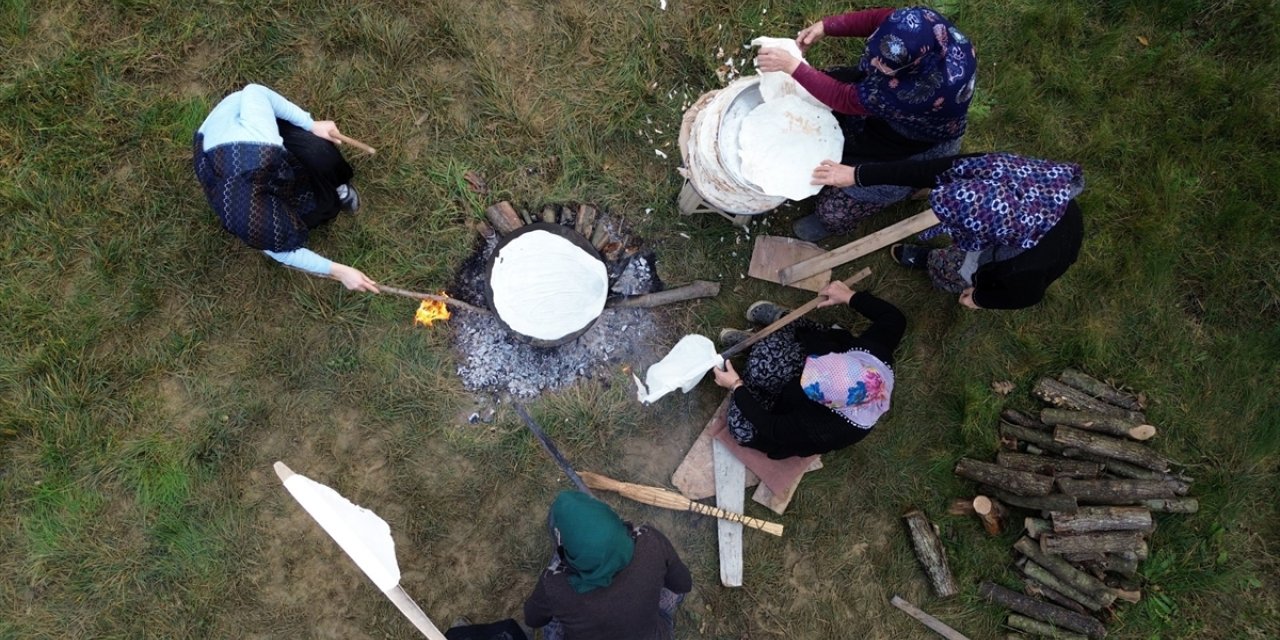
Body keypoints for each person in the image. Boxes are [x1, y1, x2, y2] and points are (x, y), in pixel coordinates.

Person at [755, 7, 977, 241]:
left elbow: (844, 99)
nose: (871, 64)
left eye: (881, 67)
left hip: (913, 145)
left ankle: (844, 216)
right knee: (816, 90)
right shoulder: (918, 25)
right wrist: (827, 26)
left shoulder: (917, 93)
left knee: (835, 210)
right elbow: (876, 19)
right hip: (910, 106)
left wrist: (856, 175)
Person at [812, 152, 1085, 310]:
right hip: (1041, 228)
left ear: (986, 235)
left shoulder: (1018, 271)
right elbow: (931, 170)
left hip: (1019, 263)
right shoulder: (995, 169)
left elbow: (1026, 296)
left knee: (956, 270)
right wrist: (858, 175)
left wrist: (980, 298)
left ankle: (935, 265)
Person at [193, 83, 378, 292]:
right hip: (224, 160)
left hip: (245, 123)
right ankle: (321, 202)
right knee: (315, 211)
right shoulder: (243, 222)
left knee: (319, 155)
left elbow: (255, 91)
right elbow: (283, 252)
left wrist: (310, 124)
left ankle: (337, 185)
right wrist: (340, 271)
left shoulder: (262, 140)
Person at [713, 281, 905, 459]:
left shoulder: (826, 428)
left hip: (785, 414)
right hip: (809, 365)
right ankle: (766, 335)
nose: (808, 370)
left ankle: (747, 370)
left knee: (741, 429)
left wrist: (737, 386)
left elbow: (773, 427)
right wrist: (849, 296)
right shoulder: (873, 354)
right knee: (779, 351)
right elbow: (895, 319)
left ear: (829, 403)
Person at [523, 491, 692, 640]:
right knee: (667, 584)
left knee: (554, 619)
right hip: (653, 634)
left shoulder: (555, 586)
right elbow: (683, 584)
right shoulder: (650, 541)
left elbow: (533, 619)